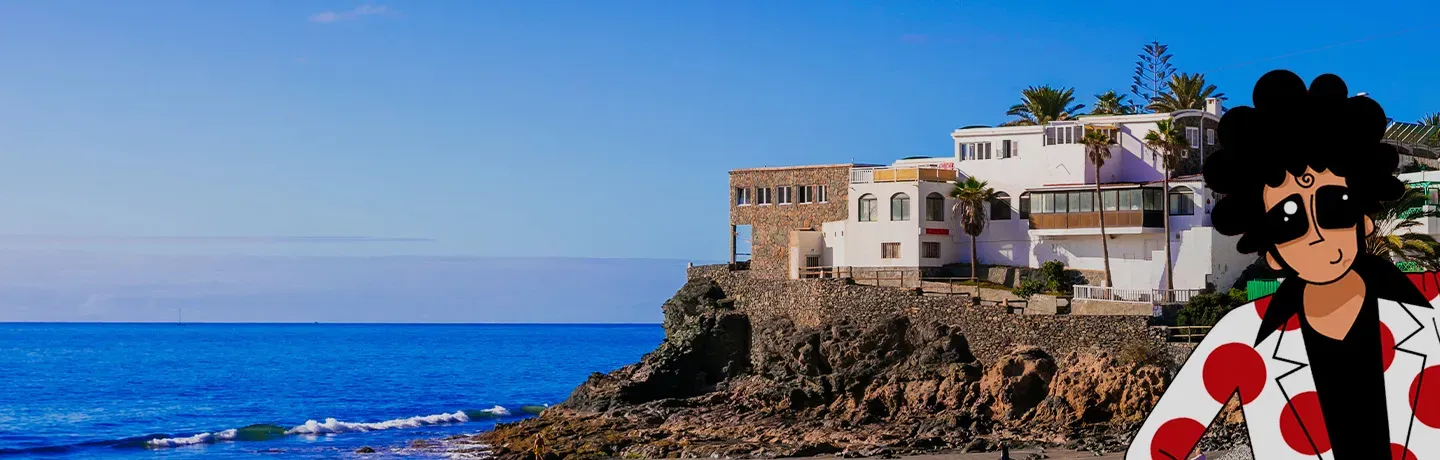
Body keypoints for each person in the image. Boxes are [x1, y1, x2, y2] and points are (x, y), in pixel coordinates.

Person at [1125, 69, 1439, 459]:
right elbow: (1154, 449)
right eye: (1289, 220)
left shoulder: (1434, 306)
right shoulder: (1240, 338)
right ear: (1270, 250)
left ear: (1363, 218)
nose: (1317, 232)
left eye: (1334, 206)